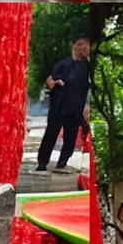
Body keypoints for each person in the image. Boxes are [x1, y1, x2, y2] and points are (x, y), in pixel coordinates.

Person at [37, 35, 90, 172]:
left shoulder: (86, 66)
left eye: (85, 45)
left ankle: (62, 163)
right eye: (79, 44)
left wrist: (86, 105)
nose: (82, 48)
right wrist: (56, 82)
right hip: (59, 106)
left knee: (71, 136)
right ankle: (42, 162)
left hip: (75, 107)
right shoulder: (63, 63)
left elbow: (86, 87)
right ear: (74, 46)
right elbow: (50, 80)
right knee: (51, 134)